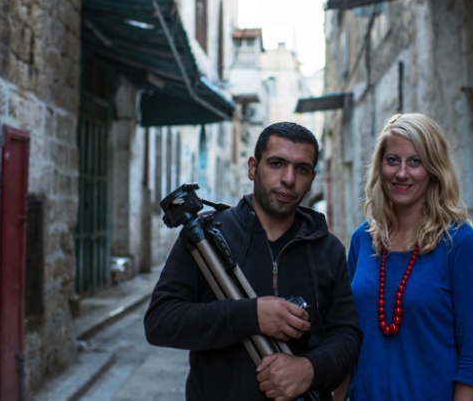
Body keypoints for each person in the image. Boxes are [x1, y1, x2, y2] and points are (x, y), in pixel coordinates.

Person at [144, 122, 362, 401]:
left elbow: (347, 334)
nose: (288, 179)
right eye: (276, 163)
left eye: (302, 169)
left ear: (312, 178)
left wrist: (310, 369)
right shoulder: (205, 240)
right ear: (252, 167)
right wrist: (252, 316)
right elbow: (161, 321)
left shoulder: (328, 249)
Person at [334, 113, 473, 401]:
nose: (402, 173)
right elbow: (350, 337)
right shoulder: (362, 240)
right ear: (380, 166)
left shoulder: (461, 244)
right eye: (393, 160)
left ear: (434, 168)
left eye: (415, 161)